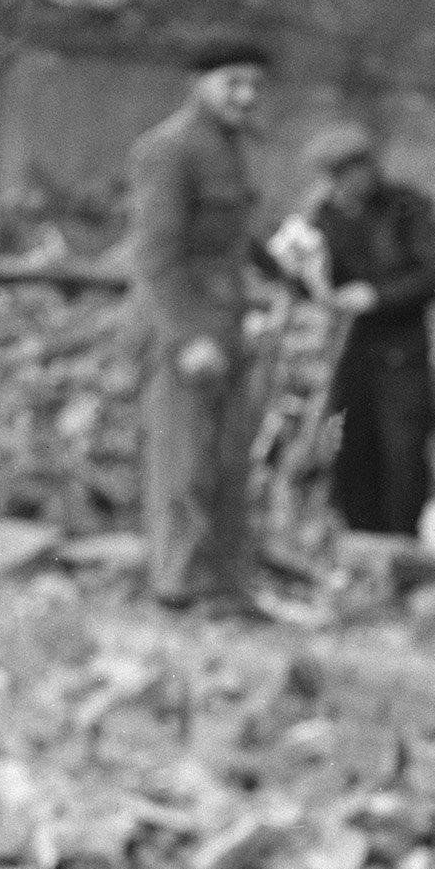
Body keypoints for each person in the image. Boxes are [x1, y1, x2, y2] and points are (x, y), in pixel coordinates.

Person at [125, 37, 274, 619]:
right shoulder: (170, 148)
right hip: (184, 324)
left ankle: (222, 586)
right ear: (200, 83)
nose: (246, 95)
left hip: (228, 319)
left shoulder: (232, 147)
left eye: (254, 84)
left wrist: (281, 268)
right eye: (232, 82)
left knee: (229, 460)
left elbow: (232, 238)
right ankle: (178, 585)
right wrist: (187, 338)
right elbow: (156, 257)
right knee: (183, 458)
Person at [301, 123, 435, 536]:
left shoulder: (407, 209)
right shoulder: (322, 218)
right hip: (347, 355)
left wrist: (378, 296)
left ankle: (402, 538)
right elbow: (312, 281)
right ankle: (358, 536)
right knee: (351, 449)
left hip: (402, 353)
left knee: (405, 451)